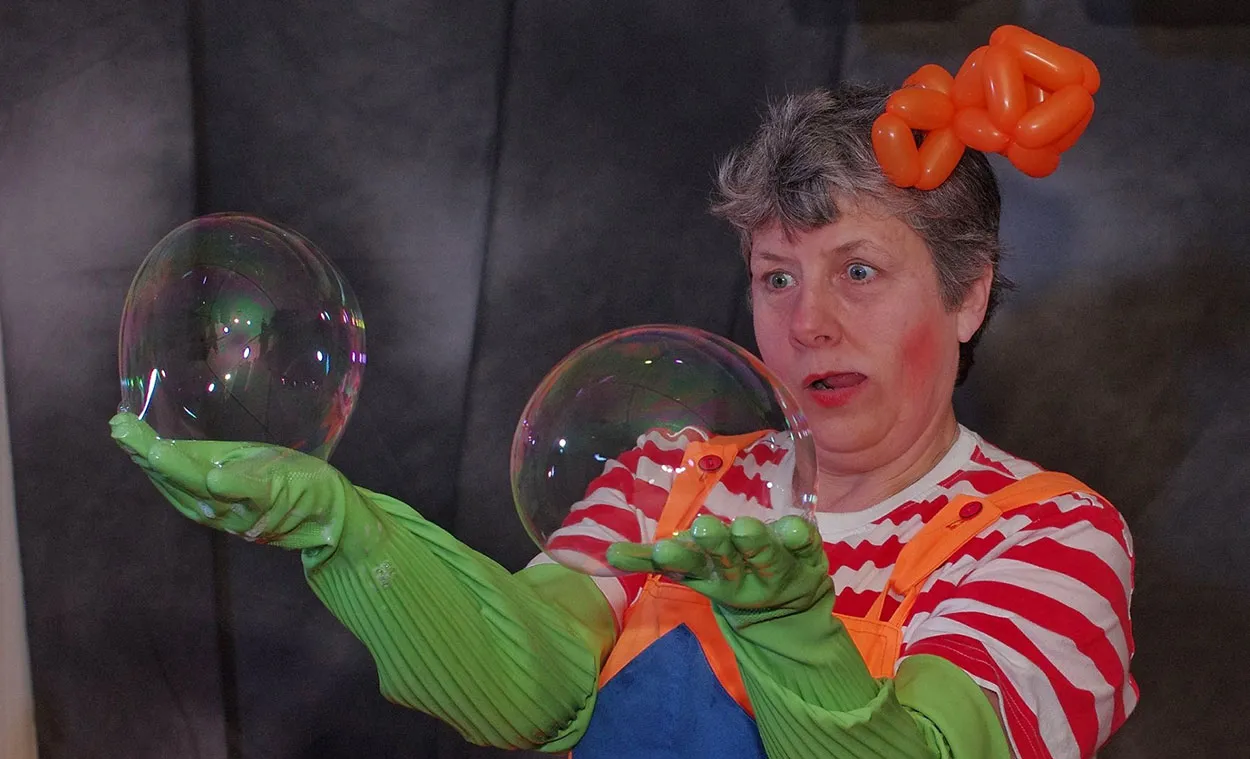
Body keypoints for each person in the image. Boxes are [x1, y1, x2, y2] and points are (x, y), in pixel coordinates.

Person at [111, 81, 1135, 759]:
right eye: (774, 276)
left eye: (856, 272)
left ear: (966, 297)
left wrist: (787, 634)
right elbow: (524, 685)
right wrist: (342, 531)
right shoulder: (672, 477)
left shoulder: (1049, 539)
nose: (806, 322)